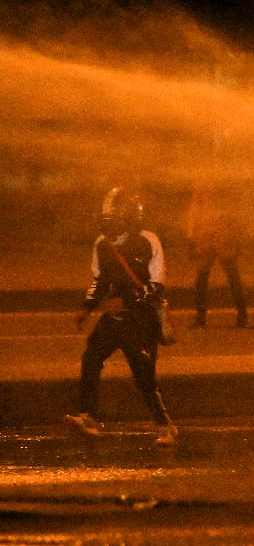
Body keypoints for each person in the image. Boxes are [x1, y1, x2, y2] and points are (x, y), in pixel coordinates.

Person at [65, 187, 179, 447]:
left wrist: (126, 300)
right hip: (114, 319)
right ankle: (89, 416)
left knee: (144, 375)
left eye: (113, 224)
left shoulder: (148, 241)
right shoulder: (102, 244)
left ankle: (165, 425)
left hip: (141, 320)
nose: (109, 232)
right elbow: (100, 279)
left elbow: (156, 285)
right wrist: (88, 307)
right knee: (91, 357)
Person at [186, 179, 248, 328]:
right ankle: (242, 314)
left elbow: (195, 208)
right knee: (230, 273)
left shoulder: (204, 179)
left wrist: (191, 234)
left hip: (208, 231)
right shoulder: (228, 179)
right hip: (223, 231)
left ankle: (201, 317)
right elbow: (238, 206)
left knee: (203, 275)